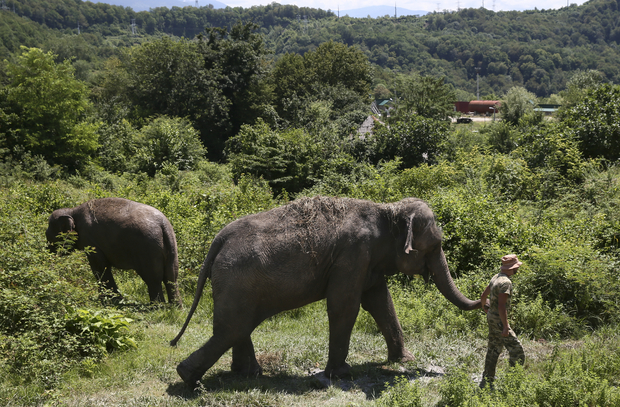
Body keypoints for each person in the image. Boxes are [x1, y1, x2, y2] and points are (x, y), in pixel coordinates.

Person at [479, 254, 525, 388]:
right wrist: (505, 326)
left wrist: (485, 308)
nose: (517, 269)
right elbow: (501, 306)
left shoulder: (496, 277)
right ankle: (512, 383)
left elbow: (483, 296)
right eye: (516, 267)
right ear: (512, 268)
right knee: (517, 351)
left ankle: (487, 380)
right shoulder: (506, 283)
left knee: (493, 349)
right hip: (499, 320)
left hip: (491, 318)